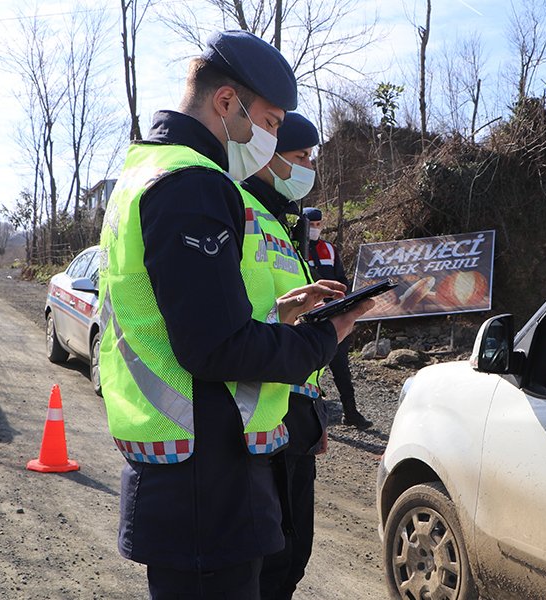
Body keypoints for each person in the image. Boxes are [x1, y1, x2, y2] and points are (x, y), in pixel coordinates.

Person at [96, 31, 371, 599]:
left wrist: (280, 313)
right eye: (269, 123)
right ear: (226, 103)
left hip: (184, 466)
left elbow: (184, 316)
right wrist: (323, 340)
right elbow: (216, 347)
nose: (268, 141)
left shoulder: (148, 171)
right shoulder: (193, 185)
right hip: (208, 481)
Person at [239, 112, 329, 600]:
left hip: (296, 413)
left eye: (311, 157)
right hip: (260, 416)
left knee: (295, 553)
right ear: (267, 156)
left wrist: (315, 416)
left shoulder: (283, 221)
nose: (308, 167)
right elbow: (247, 320)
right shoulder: (241, 209)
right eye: (300, 156)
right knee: (270, 560)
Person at [304, 208, 373, 429]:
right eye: (311, 225)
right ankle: (307, 416)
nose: (315, 229)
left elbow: (342, 279)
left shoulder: (329, 249)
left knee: (341, 367)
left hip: (333, 315)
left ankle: (350, 412)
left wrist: (346, 302)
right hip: (308, 316)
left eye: (318, 224)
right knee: (307, 370)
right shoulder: (295, 248)